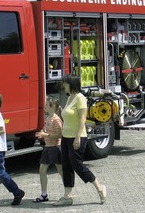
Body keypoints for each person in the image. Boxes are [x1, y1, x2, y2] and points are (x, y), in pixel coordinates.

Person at [54, 75, 107, 206]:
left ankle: (100, 188)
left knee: (77, 164)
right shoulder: (69, 98)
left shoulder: (80, 98)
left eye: (65, 83)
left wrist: (77, 137)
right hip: (66, 137)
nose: (63, 85)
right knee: (66, 166)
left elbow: (82, 119)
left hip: (77, 137)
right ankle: (67, 196)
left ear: (71, 84)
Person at [33, 98, 64, 203]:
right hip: (48, 147)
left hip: (55, 148)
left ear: (52, 107)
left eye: (46, 105)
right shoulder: (48, 118)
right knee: (42, 170)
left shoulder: (56, 119)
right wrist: (42, 132)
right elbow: (46, 130)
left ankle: (67, 193)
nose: (44, 107)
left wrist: (45, 134)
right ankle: (44, 194)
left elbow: (59, 134)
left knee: (61, 171)